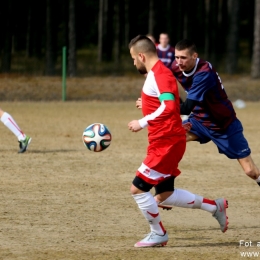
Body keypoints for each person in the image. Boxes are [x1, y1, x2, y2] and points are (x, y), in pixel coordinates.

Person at [128, 35, 228, 248]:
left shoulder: (159, 76)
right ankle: (215, 207)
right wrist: (176, 122)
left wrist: (142, 121)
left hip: (165, 143)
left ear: (141, 56)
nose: (133, 63)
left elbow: (169, 105)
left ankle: (158, 233)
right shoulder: (157, 73)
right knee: (165, 194)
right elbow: (167, 106)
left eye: (133, 58)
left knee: (138, 188)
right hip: (166, 139)